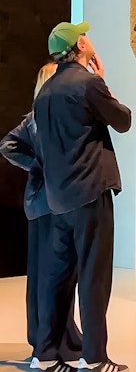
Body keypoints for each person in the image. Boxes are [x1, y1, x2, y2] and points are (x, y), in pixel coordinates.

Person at [32, 22, 132, 372]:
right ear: (79, 47)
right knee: (94, 276)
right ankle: (94, 357)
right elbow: (122, 120)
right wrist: (102, 81)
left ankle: (45, 356)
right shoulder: (88, 84)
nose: (89, 40)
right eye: (84, 37)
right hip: (89, 193)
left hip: (58, 198)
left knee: (59, 278)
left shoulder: (44, 94)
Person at [0, 63, 83, 367]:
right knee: (54, 275)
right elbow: (7, 146)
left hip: (42, 206)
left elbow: (8, 145)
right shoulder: (41, 120)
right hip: (51, 206)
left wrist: (35, 163)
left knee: (48, 276)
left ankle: (51, 337)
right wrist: (39, 164)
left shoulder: (37, 119)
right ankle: (53, 341)